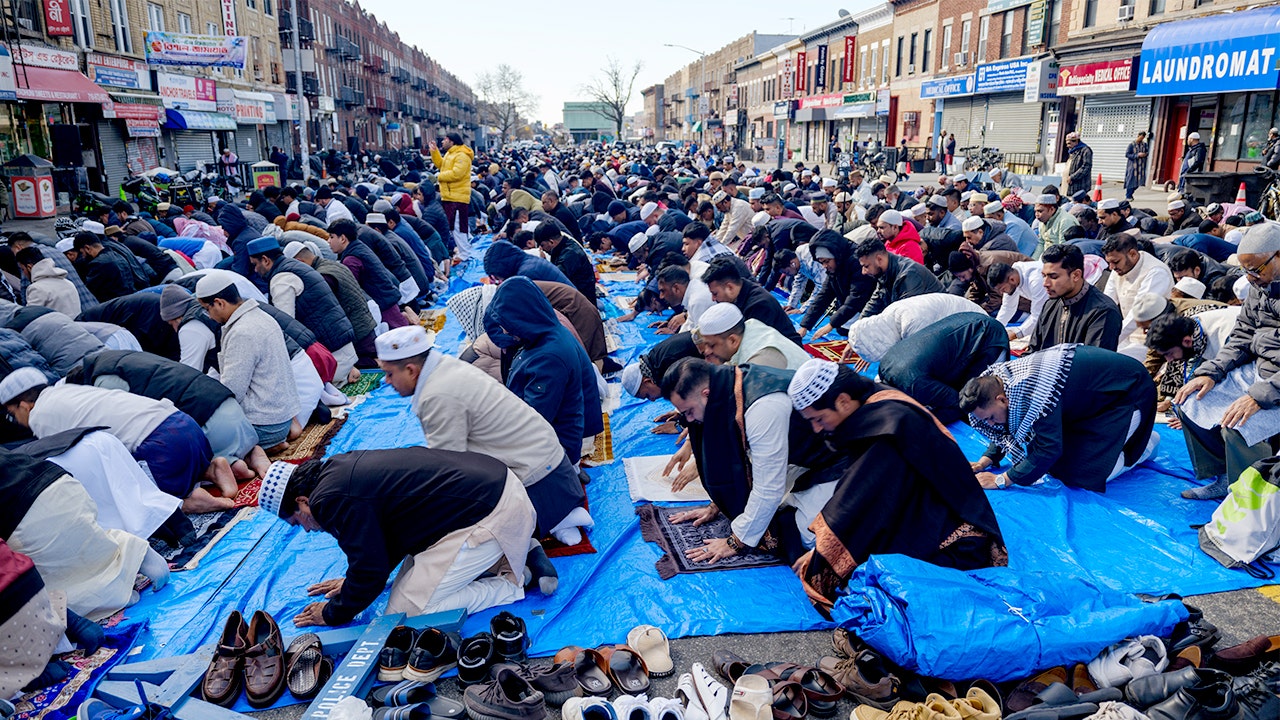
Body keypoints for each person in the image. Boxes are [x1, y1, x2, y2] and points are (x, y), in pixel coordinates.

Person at [787, 360, 1005, 611]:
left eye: (819, 419)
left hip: (958, 540)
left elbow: (856, 503)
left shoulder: (886, 430)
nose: (816, 429)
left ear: (843, 401)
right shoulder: (875, 400)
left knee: (875, 587)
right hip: (923, 506)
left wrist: (823, 554)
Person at [264, 448, 536, 627]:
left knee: (406, 612)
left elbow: (371, 572)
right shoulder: (336, 470)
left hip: (494, 513)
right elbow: (380, 543)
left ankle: (510, 582)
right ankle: (512, 554)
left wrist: (332, 613)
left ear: (302, 501)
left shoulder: (328, 500)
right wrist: (351, 583)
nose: (307, 530)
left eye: (297, 521)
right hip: (495, 491)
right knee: (406, 585)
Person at [375, 324, 589, 550]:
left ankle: (554, 520)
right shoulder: (444, 366)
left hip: (535, 474)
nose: (386, 381)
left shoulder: (437, 394)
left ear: (411, 370)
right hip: (549, 458)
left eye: (389, 374)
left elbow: (447, 467)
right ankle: (560, 513)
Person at [660, 358, 842, 562]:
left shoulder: (763, 407)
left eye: (689, 412)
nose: (689, 420)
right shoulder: (728, 387)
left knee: (809, 535)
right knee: (767, 513)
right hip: (801, 459)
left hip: (841, 460)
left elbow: (769, 488)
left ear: (706, 394)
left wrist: (736, 541)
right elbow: (742, 460)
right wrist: (718, 504)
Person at [0, 366, 231, 513]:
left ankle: (188, 500)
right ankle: (211, 470)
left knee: (142, 504)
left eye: (12, 415)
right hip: (185, 425)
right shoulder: (66, 390)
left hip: (161, 446)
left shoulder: (40, 417)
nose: (17, 421)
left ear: (24, 405)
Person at [1174, 225, 1280, 500]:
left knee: (1240, 424)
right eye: (1246, 271)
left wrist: (1259, 396)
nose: (1251, 278)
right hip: (1259, 370)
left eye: (1256, 270)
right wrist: (1212, 372)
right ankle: (1223, 477)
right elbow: (1242, 335)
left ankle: (1250, 500)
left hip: (1275, 383)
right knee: (1191, 400)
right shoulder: (1259, 286)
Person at [0, 449, 169, 622]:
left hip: (25, 515)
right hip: (61, 482)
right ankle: (131, 551)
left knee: (58, 589)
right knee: (88, 542)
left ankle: (112, 594)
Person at [962, 344, 1159, 492]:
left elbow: (1048, 449)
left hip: (1126, 393)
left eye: (990, 418)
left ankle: (1144, 447)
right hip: (1091, 400)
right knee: (1052, 464)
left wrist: (1003, 479)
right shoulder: (1003, 382)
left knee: (1085, 473)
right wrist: (986, 460)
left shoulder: (1033, 393)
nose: (991, 424)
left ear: (1002, 399)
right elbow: (1005, 429)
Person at [71, 349, 271, 483]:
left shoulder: (104, 381)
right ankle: (251, 451)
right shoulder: (119, 359)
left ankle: (229, 463)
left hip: (209, 424)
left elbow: (128, 424)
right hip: (231, 408)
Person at [483, 277, 603, 466]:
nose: (506, 331)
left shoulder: (548, 356)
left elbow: (535, 421)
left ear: (521, 318)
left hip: (554, 451)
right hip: (560, 439)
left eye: (507, 324)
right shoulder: (543, 333)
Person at [196, 272, 301, 453]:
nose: (209, 316)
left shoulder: (242, 332)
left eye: (207, 309)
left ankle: (260, 448)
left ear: (219, 303)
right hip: (282, 416)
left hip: (265, 425)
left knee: (202, 441)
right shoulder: (261, 316)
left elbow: (233, 390)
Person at [247, 236, 360, 384]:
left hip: (331, 357)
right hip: (343, 348)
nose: (255, 270)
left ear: (265, 260)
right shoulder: (296, 266)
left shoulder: (282, 279)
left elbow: (286, 324)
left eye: (255, 264)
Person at [877, 313, 1010, 424]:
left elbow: (960, 404)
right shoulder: (884, 366)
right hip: (972, 323)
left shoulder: (914, 384)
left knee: (976, 400)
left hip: (987, 338)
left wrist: (922, 423)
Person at [284, 240, 379, 367]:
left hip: (358, 335)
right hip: (366, 327)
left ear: (300, 262)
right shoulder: (332, 265)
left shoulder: (323, 277)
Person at [1029, 243, 1123, 353]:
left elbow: (1095, 361)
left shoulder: (1102, 312)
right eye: (1044, 276)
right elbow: (1033, 350)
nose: (1045, 283)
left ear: (1076, 275)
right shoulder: (1050, 305)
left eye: (1053, 277)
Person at [1103, 233, 1175, 359]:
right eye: (1109, 262)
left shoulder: (1156, 272)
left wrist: (1108, 342)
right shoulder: (1118, 269)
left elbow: (1138, 313)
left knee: (1111, 361)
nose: (1111, 267)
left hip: (1151, 340)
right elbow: (1106, 303)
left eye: (1115, 262)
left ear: (1132, 254)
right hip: (1126, 336)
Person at [327, 219, 409, 330]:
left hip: (383, 306)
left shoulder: (351, 260)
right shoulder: (359, 247)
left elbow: (352, 291)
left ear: (342, 239)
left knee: (400, 335)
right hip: (388, 299)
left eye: (331, 237)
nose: (328, 241)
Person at [701, 256, 803, 345]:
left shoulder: (759, 305)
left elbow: (754, 344)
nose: (713, 299)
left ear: (730, 287)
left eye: (715, 294)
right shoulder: (741, 291)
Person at [695, 302, 811, 370]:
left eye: (711, 345)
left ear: (732, 341)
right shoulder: (748, 326)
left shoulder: (760, 360)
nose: (707, 351)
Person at [854, 239, 944, 320]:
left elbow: (906, 316)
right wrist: (859, 326)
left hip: (942, 320)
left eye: (866, 266)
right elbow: (875, 302)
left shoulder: (909, 274)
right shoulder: (884, 273)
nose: (863, 272)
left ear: (879, 259)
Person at [430, 132, 475, 260]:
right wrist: (434, 152)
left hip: (457, 197)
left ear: (452, 141)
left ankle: (465, 253)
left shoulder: (462, 155)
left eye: (445, 139)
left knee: (458, 226)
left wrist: (438, 177)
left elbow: (457, 174)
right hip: (450, 196)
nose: (442, 142)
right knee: (456, 226)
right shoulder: (450, 154)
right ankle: (464, 249)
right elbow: (441, 165)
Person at [620, 333, 702, 402]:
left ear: (648, 381)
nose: (652, 400)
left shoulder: (669, 364)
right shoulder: (656, 361)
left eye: (648, 395)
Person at [533, 223, 596, 303]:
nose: (541, 249)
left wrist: (544, 263)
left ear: (551, 242)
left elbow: (555, 278)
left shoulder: (570, 254)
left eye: (542, 245)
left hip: (582, 301)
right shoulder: (562, 246)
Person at [988, 260, 1049, 342]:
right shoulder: (1013, 277)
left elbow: (1039, 315)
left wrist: (1017, 333)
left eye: (1003, 289)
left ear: (1012, 279)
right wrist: (995, 329)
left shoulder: (1036, 280)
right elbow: (1008, 307)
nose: (1002, 293)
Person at [67, 232, 138, 302]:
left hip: (116, 304)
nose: (83, 257)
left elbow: (88, 291)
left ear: (87, 248)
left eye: (82, 253)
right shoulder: (117, 255)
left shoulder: (98, 264)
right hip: (130, 300)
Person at [14, 246, 80, 317]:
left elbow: (30, 316)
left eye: (23, 269)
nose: (24, 273)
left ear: (29, 267)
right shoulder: (68, 283)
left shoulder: (37, 288)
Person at [1033, 194, 1079, 259]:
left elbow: (1065, 249)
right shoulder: (1043, 220)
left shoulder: (1065, 221)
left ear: (1052, 209)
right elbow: (1041, 243)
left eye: (1040, 211)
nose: (1036, 215)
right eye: (1035, 211)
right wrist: (1033, 261)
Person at [1065, 132, 1094, 196]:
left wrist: (1072, 177)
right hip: (1071, 185)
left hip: (1080, 185)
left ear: (1076, 141)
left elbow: (1086, 167)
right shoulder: (1072, 151)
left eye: (1069, 143)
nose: (1067, 146)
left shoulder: (1085, 150)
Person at [1125, 132, 1149, 201]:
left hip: (1141, 167)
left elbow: (1147, 152)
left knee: (1139, 182)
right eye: (1140, 137)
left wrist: (1144, 154)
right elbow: (1127, 154)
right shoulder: (1131, 145)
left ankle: (1130, 194)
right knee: (1131, 181)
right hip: (1133, 166)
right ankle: (1128, 196)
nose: (1141, 139)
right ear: (1138, 136)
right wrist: (1137, 155)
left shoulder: (1144, 145)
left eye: (1142, 138)